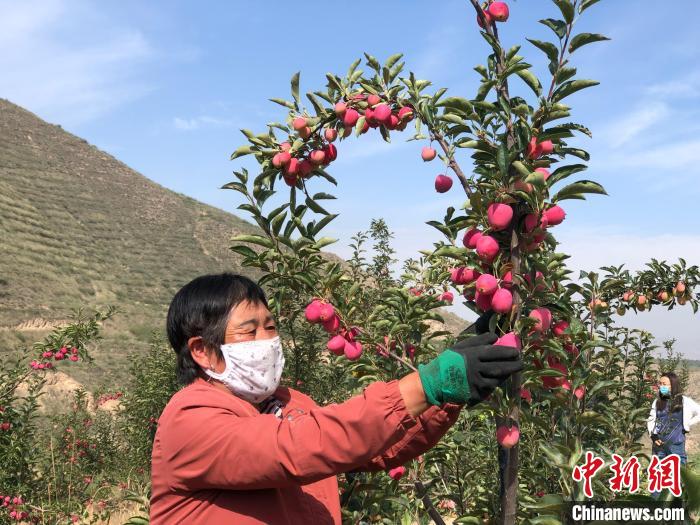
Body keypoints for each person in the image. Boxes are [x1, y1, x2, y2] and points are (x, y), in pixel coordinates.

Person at [150, 273, 522, 524]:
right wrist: (427, 384)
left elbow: (369, 447)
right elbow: (299, 448)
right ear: (201, 351)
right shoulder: (189, 419)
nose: (267, 340)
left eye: (271, 327)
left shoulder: (289, 403)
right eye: (250, 332)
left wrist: (449, 395)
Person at [647, 371, 700, 466]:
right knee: (658, 472)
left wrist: (686, 425)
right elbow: (651, 419)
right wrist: (653, 436)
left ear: (673, 385)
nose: (661, 386)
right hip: (659, 445)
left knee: (678, 472)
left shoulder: (683, 401)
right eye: (660, 383)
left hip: (676, 444)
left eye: (664, 384)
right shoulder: (657, 402)